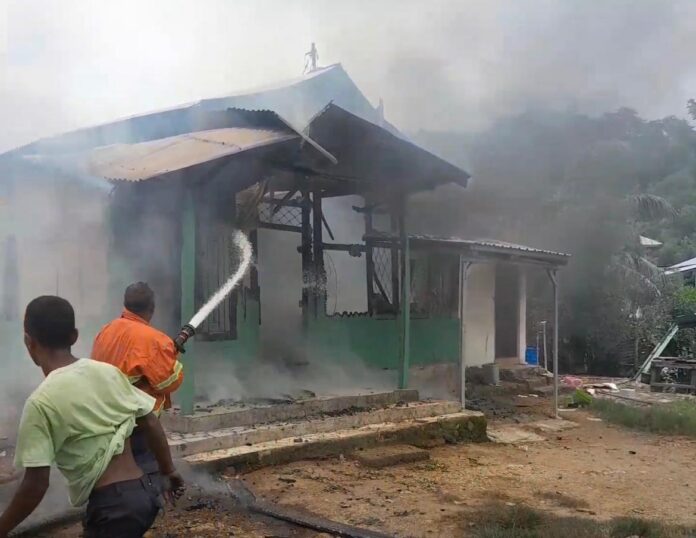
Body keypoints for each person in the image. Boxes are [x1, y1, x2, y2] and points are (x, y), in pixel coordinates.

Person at [0, 296, 184, 538]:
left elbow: (36, 485)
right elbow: (149, 420)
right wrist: (168, 471)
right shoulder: (107, 372)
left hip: (113, 508)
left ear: (28, 342)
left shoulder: (40, 402)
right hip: (144, 494)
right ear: (74, 336)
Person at [91, 282, 184, 488]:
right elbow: (168, 382)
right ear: (152, 308)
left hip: (105, 417)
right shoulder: (154, 340)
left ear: (125, 305)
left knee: (113, 474)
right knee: (142, 472)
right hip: (136, 422)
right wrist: (170, 357)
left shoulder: (105, 331)